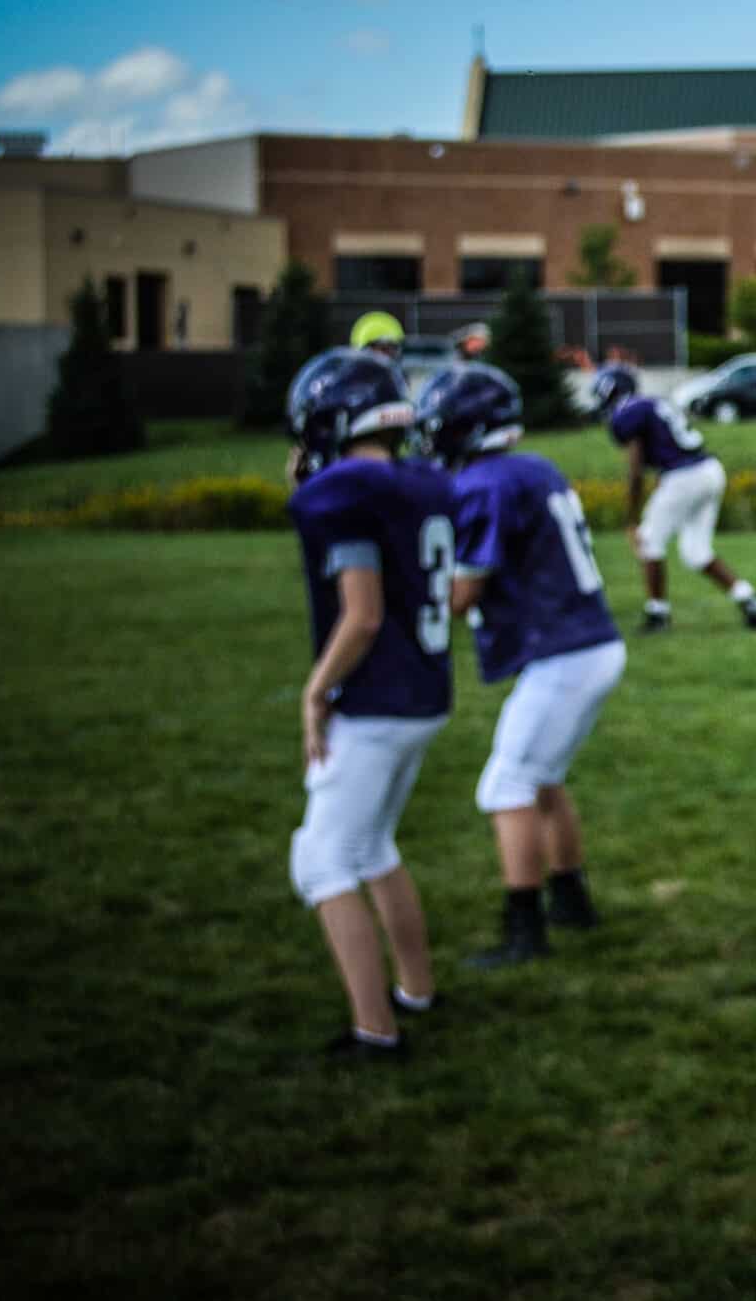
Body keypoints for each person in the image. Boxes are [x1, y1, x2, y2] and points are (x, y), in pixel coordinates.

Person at [418, 362, 626, 970]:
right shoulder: (532, 467)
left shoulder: (486, 484)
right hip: (591, 642)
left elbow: (465, 593)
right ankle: (571, 900)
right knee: (543, 777)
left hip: (563, 651)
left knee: (505, 784)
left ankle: (524, 927)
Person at [283, 348, 459, 1062]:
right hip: (425, 690)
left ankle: (374, 1031)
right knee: (373, 844)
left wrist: (316, 688)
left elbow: (360, 614)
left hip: (377, 696)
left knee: (321, 863)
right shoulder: (423, 480)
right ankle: (415, 989)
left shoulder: (344, 492)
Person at [590, 364, 756, 631]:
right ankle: (750, 602)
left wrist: (631, 518)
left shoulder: (629, 413)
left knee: (649, 539)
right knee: (696, 552)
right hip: (709, 470)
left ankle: (657, 614)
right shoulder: (652, 403)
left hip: (684, 475)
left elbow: (636, 471)